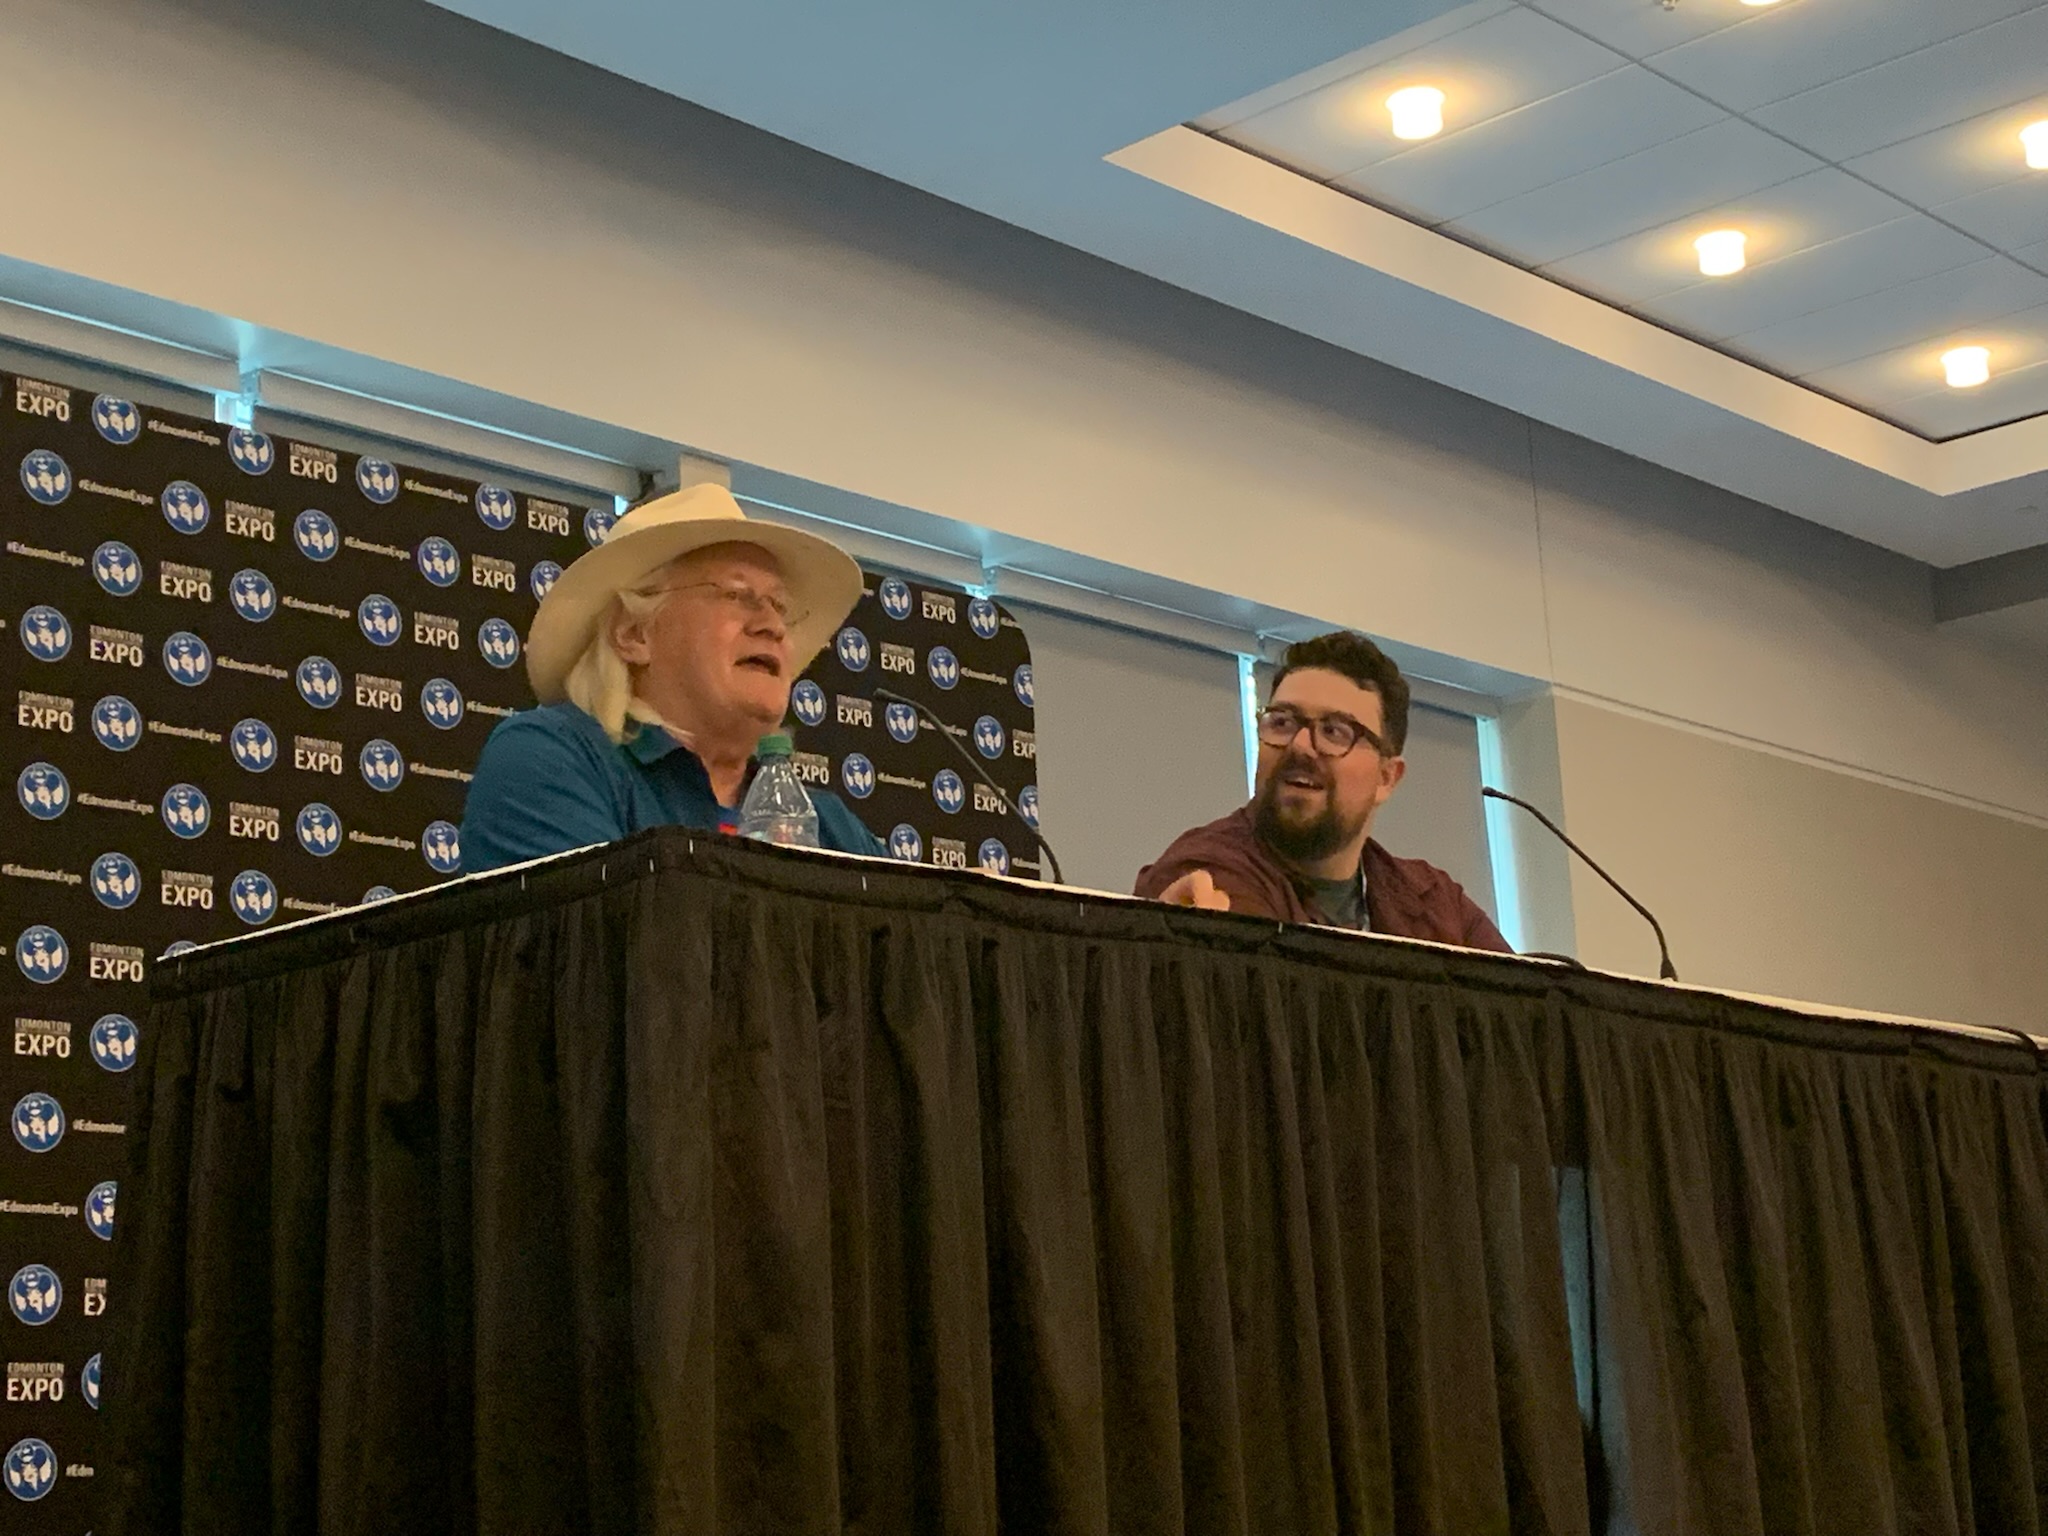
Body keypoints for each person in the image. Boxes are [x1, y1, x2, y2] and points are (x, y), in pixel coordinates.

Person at [461, 483, 882, 872]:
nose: (772, 625)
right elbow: (606, 927)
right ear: (635, 634)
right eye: (737, 595)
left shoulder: (831, 824)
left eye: (780, 606)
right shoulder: (552, 759)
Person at [1134, 630, 1510, 951]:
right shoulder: (1206, 875)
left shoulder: (1435, 902)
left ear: (1386, 778)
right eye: (1282, 722)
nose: (1300, 745)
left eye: (1334, 731)